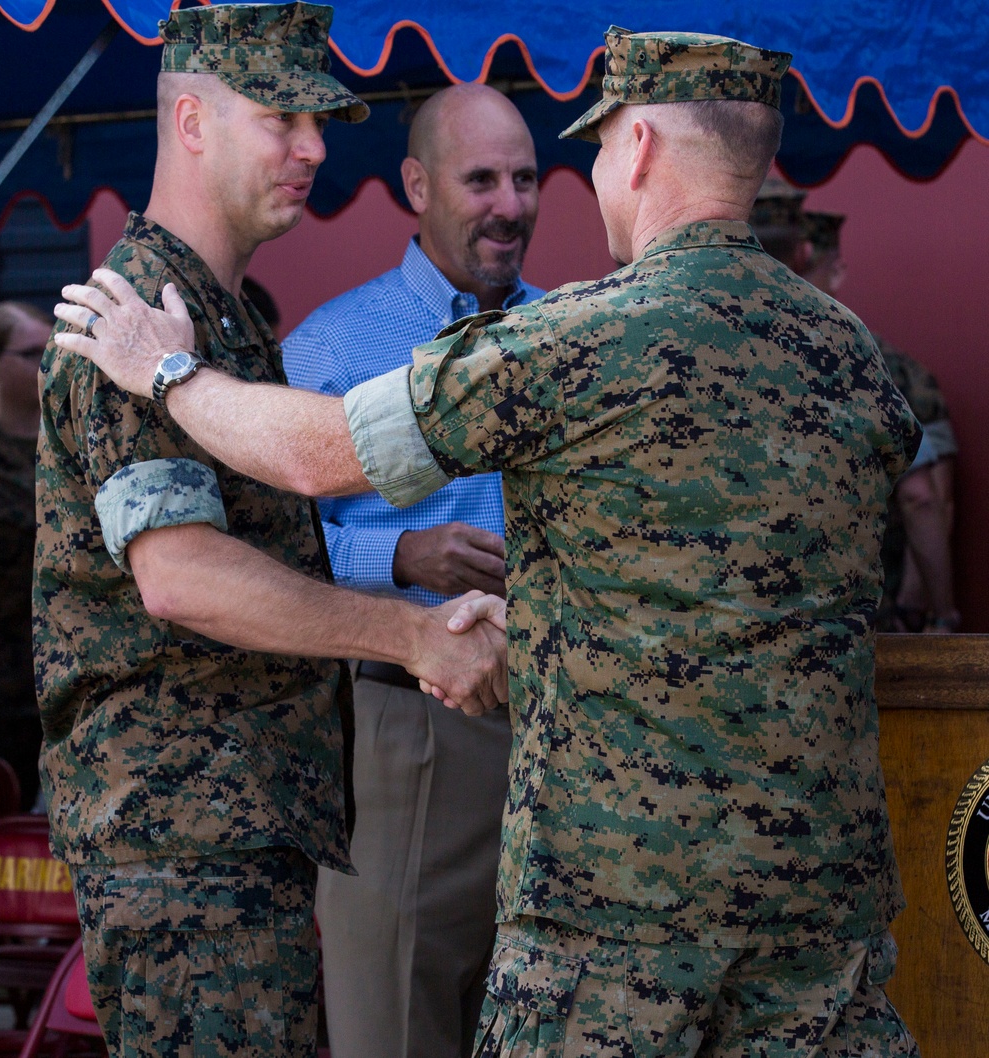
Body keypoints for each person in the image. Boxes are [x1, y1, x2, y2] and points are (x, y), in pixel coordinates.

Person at [55, 25, 923, 1057]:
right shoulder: (856, 361)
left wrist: (167, 374)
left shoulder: (575, 337)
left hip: (617, 909)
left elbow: (314, 457)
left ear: (635, 146)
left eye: (586, 151)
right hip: (818, 901)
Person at [33, 6, 506, 1058]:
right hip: (182, 842)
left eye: (320, 119)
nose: (315, 147)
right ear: (191, 119)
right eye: (283, 116)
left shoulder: (223, 319)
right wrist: (410, 634)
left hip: (239, 829)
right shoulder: (126, 318)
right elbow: (183, 575)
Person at [282, 82, 542, 1058]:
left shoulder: (572, 340)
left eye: (525, 177)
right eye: (481, 179)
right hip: (408, 722)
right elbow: (268, 550)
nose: (509, 204)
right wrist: (400, 553)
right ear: (416, 186)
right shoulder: (329, 348)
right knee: (396, 1019)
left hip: (567, 732)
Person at [801, 210, 961, 632]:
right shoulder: (874, 367)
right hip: (860, 618)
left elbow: (931, 499)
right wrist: (934, 613)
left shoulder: (893, 372)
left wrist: (914, 601)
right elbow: (926, 499)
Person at [0, 301, 50, 810]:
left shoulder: (75, 443)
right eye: (32, 353)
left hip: (70, 691)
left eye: (53, 350)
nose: (46, 364)